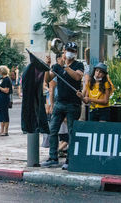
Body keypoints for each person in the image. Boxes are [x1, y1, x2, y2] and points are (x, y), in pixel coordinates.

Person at [42, 42, 84, 170]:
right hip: (60, 103)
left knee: (72, 132)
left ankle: (69, 160)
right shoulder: (57, 66)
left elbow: (77, 77)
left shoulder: (78, 65)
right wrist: (47, 66)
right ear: (64, 51)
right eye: (67, 50)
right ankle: (53, 157)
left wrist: (65, 66)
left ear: (75, 53)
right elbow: (48, 79)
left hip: (73, 104)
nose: (69, 52)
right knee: (52, 130)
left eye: (72, 50)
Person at [0, 65, 13, 136]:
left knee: (4, 114)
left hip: (4, 98)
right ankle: (2, 130)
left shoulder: (6, 79)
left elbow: (6, 90)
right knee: (1, 114)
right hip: (1, 98)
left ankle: (5, 131)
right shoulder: (3, 79)